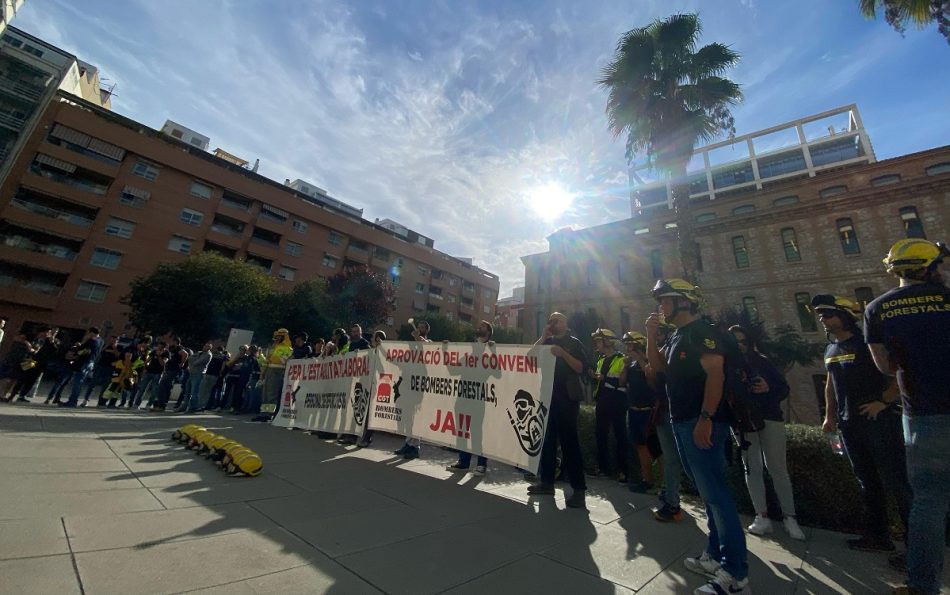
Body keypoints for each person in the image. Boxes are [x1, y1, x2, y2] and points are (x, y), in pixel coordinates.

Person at [646, 279, 749, 595]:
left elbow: (715, 376)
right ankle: (715, 554)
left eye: (665, 300)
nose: (660, 306)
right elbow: (657, 369)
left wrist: (706, 418)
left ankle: (735, 574)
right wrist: (651, 335)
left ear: (684, 302)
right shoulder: (679, 335)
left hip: (701, 422)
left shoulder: (702, 332)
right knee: (707, 494)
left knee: (716, 495)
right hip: (682, 421)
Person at [865, 239, 950, 595]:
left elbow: (884, 366)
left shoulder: (877, 308)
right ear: (930, 268)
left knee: (928, 502)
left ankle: (922, 585)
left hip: (924, 413)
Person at [814, 294, 911, 553]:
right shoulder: (830, 349)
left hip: (878, 422)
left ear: (846, 316)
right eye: (821, 316)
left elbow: (898, 374)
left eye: (829, 314)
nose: (823, 320)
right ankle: (879, 537)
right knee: (867, 482)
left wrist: (883, 401)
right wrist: (829, 416)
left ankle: (915, 547)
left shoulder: (868, 344)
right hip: (849, 425)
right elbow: (830, 385)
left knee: (896, 482)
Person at [728, 325, 805, 541]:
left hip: (769, 417)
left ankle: (790, 517)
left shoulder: (761, 361)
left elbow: (783, 388)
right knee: (751, 467)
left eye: (742, 341)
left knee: (777, 467)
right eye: (734, 342)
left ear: (750, 342)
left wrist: (767, 387)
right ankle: (762, 516)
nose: (739, 346)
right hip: (743, 421)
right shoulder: (728, 365)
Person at [527, 312, 588, 509]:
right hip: (548, 397)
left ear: (565, 323)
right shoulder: (547, 341)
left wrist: (562, 353)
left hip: (567, 400)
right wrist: (543, 337)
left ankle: (578, 489)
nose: (554, 323)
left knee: (570, 443)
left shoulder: (574, 343)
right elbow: (529, 359)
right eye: (551, 320)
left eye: (558, 320)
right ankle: (547, 483)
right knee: (548, 442)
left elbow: (580, 368)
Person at [649, 322, 686, 522]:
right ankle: (671, 499)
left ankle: (672, 497)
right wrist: (650, 335)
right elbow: (651, 369)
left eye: (661, 331)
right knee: (671, 457)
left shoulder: (682, 342)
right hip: (664, 407)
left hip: (682, 409)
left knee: (687, 461)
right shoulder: (667, 346)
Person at [446, 320, 494, 475]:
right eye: (478, 325)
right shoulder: (468, 352)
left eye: (482, 326)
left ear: (488, 332)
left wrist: (493, 352)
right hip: (463, 395)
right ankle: (463, 462)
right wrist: (446, 351)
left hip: (478, 396)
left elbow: (498, 372)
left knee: (477, 431)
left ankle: (481, 464)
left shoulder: (492, 349)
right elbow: (453, 371)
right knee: (461, 430)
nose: (478, 327)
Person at [620, 330, 658, 492]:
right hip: (634, 410)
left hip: (648, 412)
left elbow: (652, 381)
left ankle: (663, 484)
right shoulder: (631, 364)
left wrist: (641, 359)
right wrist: (626, 367)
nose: (628, 348)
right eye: (626, 345)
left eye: (630, 344)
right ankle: (647, 480)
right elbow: (622, 382)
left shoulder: (648, 361)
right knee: (641, 446)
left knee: (657, 449)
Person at [589, 328, 628, 482]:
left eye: (599, 341)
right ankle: (603, 468)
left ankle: (624, 471)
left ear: (608, 342)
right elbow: (601, 381)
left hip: (617, 401)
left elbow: (622, 382)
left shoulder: (621, 359)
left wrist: (603, 378)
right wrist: (595, 377)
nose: (597, 344)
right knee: (601, 434)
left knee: (620, 436)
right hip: (602, 401)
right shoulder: (600, 359)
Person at [393, 320, 431, 459]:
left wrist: (417, 338)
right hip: (408, 383)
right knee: (408, 415)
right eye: (419, 327)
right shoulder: (412, 346)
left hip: (419, 383)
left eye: (422, 327)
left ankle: (415, 447)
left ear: (426, 330)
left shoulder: (429, 343)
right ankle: (408, 443)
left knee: (415, 416)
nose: (419, 329)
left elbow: (425, 348)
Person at [253, 328, 292, 422]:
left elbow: (283, 361)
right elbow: (267, 361)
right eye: (276, 336)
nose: (276, 338)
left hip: (278, 372)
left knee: (272, 394)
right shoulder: (274, 347)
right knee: (265, 393)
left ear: (283, 337)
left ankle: (269, 415)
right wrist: (262, 373)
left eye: (279, 336)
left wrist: (274, 356)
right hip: (269, 371)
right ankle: (263, 413)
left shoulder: (288, 348)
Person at [62, 327, 103, 408]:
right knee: (81, 381)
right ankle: (73, 400)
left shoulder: (92, 341)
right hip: (91, 362)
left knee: (78, 382)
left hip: (84, 363)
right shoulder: (101, 341)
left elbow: (84, 350)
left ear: (92, 332)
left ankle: (72, 401)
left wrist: (75, 354)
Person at [151, 337, 187, 412]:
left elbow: (185, 354)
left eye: (172, 341)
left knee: (162, 386)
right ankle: (162, 404)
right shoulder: (173, 349)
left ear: (175, 342)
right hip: (169, 370)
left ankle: (161, 404)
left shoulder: (178, 348)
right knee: (167, 387)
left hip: (173, 370)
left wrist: (182, 363)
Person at [0, 331, 34, 401]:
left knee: (12, 379)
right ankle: (3, 395)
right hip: (19, 362)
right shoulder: (21, 344)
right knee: (8, 379)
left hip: (24, 362)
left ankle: (4, 395)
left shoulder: (23, 343)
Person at [88, 336, 121, 407]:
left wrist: (115, 348)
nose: (113, 341)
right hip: (100, 366)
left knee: (105, 386)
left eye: (115, 340)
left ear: (117, 341)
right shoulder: (106, 346)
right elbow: (99, 353)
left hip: (110, 369)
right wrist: (106, 346)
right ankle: (86, 399)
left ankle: (101, 402)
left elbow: (119, 356)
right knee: (93, 383)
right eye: (112, 340)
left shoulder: (119, 348)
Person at [180, 342, 212, 413]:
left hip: (198, 374)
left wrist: (193, 361)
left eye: (207, 346)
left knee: (194, 392)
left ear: (209, 348)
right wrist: (193, 361)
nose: (204, 347)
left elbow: (198, 362)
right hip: (191, 373)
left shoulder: (208, 355)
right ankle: (184, 406)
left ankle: (192, 408)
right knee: (187, 391)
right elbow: (190, 358)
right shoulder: (199, 352)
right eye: (204, 345)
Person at [135, 341, 167, 409]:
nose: (159, 348)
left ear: (164, 348)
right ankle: (137, 404)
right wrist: (145, 368)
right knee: (142, 388)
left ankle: (149, 404)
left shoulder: (166, 353)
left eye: (161, 347)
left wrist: (159, 356)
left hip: (158, 373)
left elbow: (163, 364)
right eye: (158, 346)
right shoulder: (154, 351)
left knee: (154, 390)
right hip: (149, 372)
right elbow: (147, 360)